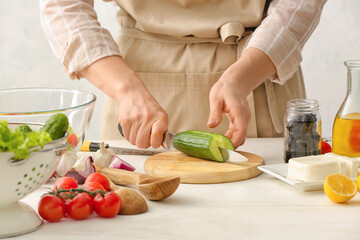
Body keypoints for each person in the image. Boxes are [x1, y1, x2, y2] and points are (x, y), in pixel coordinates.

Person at [40, 0, 326, 149]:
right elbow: (63, 6)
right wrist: (125, 88)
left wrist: (245, 74)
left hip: (258, 74)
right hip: (138, 98)